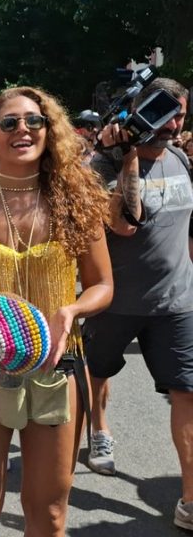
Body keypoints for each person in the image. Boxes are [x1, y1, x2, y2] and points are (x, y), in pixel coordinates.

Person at [0, 86, 113, 536]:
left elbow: (104, 286)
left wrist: (72, 310)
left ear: (49, 131)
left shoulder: (78, 200)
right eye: (9, 123)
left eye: (35, 121)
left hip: (57, 363)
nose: (23, 130)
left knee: (48, 512)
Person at [84, 78, 193, 530]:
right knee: (98, 372)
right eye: (163, 111)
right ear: (136, 111)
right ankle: (100, 428)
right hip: (115, 300)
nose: (174, 122)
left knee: (187, 391)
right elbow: (126, 224)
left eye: (181, 113)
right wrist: (125, 153)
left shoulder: (182, 158)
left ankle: (190, 498)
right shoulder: (100, 165)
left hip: (177, 302)